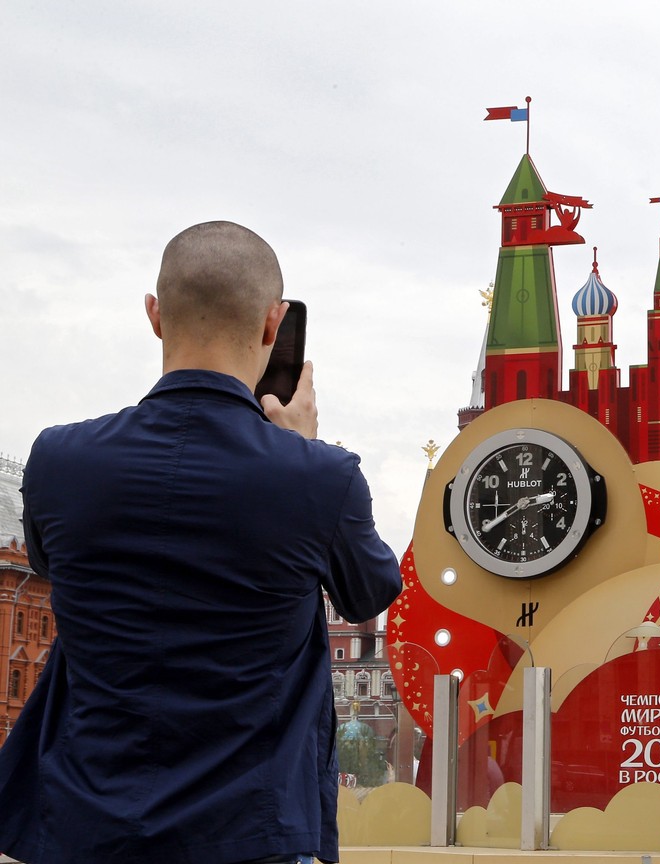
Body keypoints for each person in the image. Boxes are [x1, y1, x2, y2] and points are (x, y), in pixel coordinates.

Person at [0, 221, 402, 864]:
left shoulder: (58, 461)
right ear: (274, 327)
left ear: (155, 316)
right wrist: (301, 450)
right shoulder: (322, 478)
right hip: (252, 836)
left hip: (82, 830)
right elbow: (369, 594)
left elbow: (49, 566)